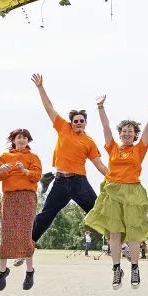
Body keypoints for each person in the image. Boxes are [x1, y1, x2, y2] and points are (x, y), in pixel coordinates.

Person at [84, 93, 148, 290]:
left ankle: (135, 268)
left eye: (131, 131)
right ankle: (116, 270)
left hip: (133, 192)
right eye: (124, 131)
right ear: (120, 134)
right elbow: (105, 127)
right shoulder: (112, 148)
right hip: (112, 191)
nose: (127, 133)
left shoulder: (139, 149)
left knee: (135, 233)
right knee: (115, 233)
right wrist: (101, 107)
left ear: (135, 135)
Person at [30, 73, 109, 243]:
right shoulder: (63, 128)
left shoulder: (89, 142)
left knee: (96, 211)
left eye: (81, 120)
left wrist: (117, 178)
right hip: (60, 181)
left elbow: (100, 165)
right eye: (76, 120)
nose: (78, 123)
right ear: (71, 122)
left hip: (79, 182)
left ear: (85, 122)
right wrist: (40, 87)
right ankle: (29, 244)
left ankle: (117, 241)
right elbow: (49, 108)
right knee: (47, 213)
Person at [0, 128, 43, 292]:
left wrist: (24, 171)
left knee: (26, 232)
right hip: (9, 196)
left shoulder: (33, 157)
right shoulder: (4, 156)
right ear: (13, 140)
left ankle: (29, 271)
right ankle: (2, 271)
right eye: (18, 138)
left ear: (28, 141)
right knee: (6, 233)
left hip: (27, 197)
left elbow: (37, 175)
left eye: (24, 138)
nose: (21, 140)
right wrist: (1, 170)